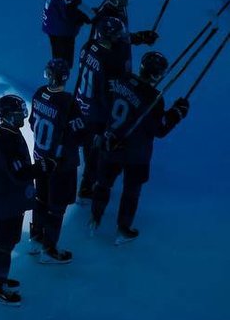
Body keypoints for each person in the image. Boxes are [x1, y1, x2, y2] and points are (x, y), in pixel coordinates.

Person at [89, 51, 188, 244]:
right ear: (156, 75)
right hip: (137, 153)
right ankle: (123, 229)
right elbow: (159, 129)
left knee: (103, 183)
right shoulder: (153, 98)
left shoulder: (122, 80)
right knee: (131, 191)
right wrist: (177, 112)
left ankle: (95, 218)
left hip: (112, 142)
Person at [0, 95, 52, 306]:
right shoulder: (7, 138)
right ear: (7, 115)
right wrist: (42, 167)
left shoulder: (5, 132)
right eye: (18, 113)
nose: (23, 116)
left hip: (8, 197)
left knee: (7, 239)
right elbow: (20, 172)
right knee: (4, 242)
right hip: (5, 198)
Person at [28, 58, 85, 263]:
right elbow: (80, 135)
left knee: (41, 199)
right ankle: (49, 249)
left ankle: (36, 238)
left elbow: (32, 123)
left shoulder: (39, 93)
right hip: (61, 165)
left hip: (40, 158)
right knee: (57, 206)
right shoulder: (68, 103)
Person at [74, 16, 131, 201]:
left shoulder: (88, 46)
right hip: (96, 111)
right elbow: (108, 93)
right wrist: (111, 117)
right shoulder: (110, 60)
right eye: (116, 35)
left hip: (81, 103)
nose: (119, 38)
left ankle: (87, 175)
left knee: (87, 143)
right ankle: (87, 186)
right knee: (96, 149)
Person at [86, 0, 159, 67]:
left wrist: (141, 37)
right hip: (109, 64)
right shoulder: (108, 18)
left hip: (117, 60)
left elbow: (122, 36)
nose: (125, 2)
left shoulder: (118, 10)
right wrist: (141, 37)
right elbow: (118, 39)